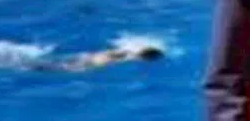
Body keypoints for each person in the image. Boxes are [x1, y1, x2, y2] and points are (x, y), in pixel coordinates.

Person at [29, 46, 164, 72]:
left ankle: (35, 64)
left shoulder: (128, 51)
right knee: (57, 68)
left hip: (91, 56)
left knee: (56, 64)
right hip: (93, 63)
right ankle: (34, 66)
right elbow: (110, 61)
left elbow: (110, 52)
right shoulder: (131, 58)